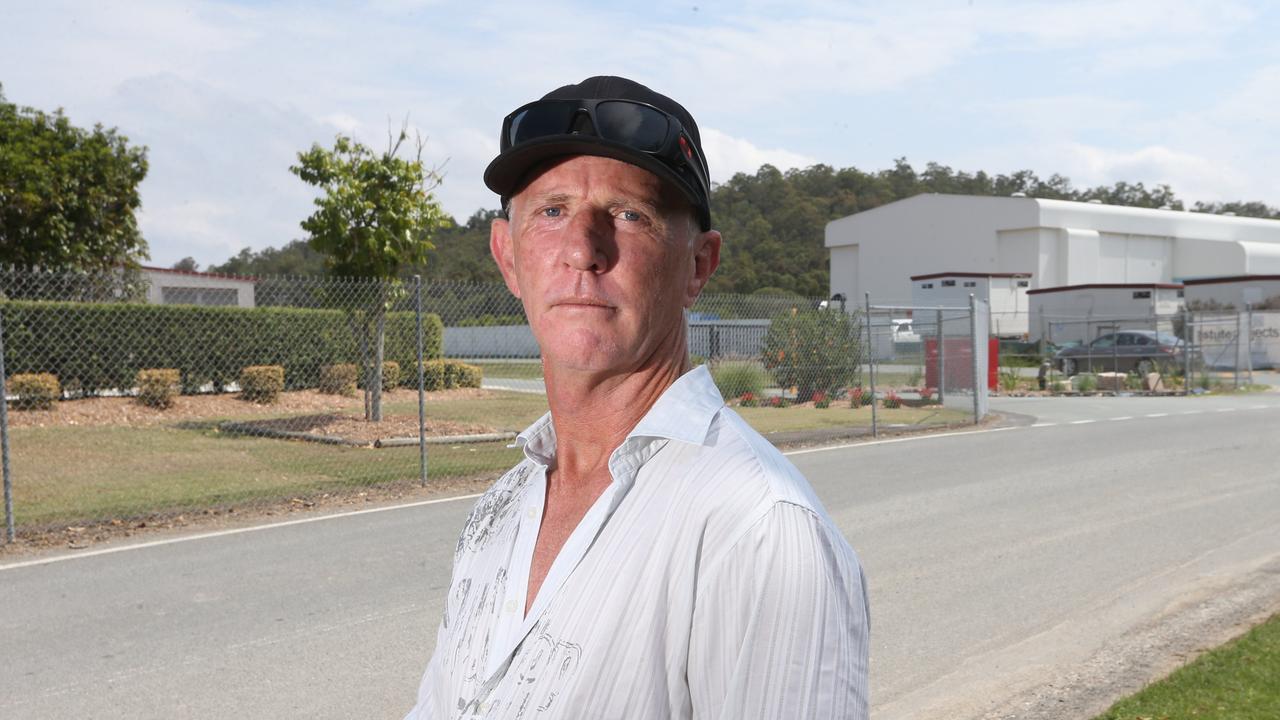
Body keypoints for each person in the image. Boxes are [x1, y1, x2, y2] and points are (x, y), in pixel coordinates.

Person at [405, 76, 869, 719]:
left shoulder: (755, 529)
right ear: (507, 257)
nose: (583, 250)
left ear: (698, 266)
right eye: (551, 211)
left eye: (630, 215)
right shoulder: (503, 508)